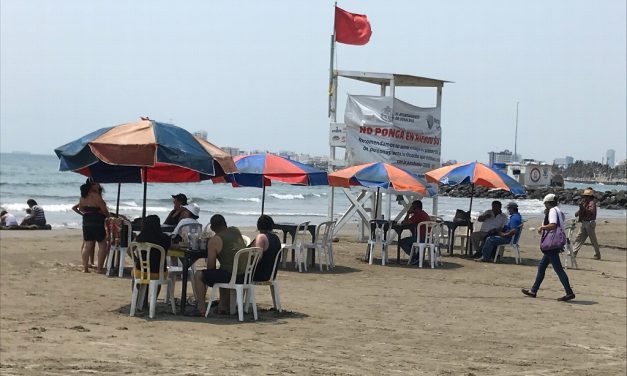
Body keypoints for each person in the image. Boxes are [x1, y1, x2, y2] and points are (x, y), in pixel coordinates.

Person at [522, 194, 575, 301]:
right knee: (542, 267)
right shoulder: (559, 211)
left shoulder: (552, 211)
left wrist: (542, 227)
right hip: (555, 244)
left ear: (548, 203)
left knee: (558, 269)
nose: (545, 206)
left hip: (551, 244)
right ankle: (533, 290)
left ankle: (569, 292)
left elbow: (553, 225)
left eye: (545, 204)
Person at [192, 214, 245, 316]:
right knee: (223, 269)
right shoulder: (235, 230)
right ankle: (223, 306)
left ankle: (201, 308)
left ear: (212, 228)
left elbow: (211, 267)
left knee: (199, 275)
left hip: (232, 276)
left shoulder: (215, 240)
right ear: (225, 223)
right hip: (245, 275)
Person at [72, 181, 109, 273]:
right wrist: (107, 216)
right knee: (102, 245)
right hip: (97, 221)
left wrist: (86, 213)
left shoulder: (83, 197)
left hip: (86, 221)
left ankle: (85, 268)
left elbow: (81, 209)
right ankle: (99, 269)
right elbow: (104, 210)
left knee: (87, 245)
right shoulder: (96, 196)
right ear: (91, 187)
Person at [251, 215, 282, 282]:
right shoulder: (276, 238)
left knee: (234, 275)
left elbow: (257, 258)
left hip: (259, 275)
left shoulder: (261, 237)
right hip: (271, 274)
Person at [398, 200, 431, 264]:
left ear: (415, 207)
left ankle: (414, 257)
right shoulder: (423, 213)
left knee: (402, 242)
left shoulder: (417, 214)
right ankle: (417, 256)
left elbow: (404, 223)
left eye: (412, 206)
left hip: (421, 238)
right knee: (411, 239)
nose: (411, 207)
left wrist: (408, 213)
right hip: (428, 238)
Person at [573, 188, 601, 260]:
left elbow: (590, 212)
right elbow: (581, 211)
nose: (584, 197)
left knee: (593, 240)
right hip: (584, 222)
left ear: (589, 197)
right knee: (579, 237)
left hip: (589, 223)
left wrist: (582, 208)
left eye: (586, 196)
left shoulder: (592, 203)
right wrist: (578, 212)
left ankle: (597, 254)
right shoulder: (585, 202)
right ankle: (574, 252)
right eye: (584, 196)